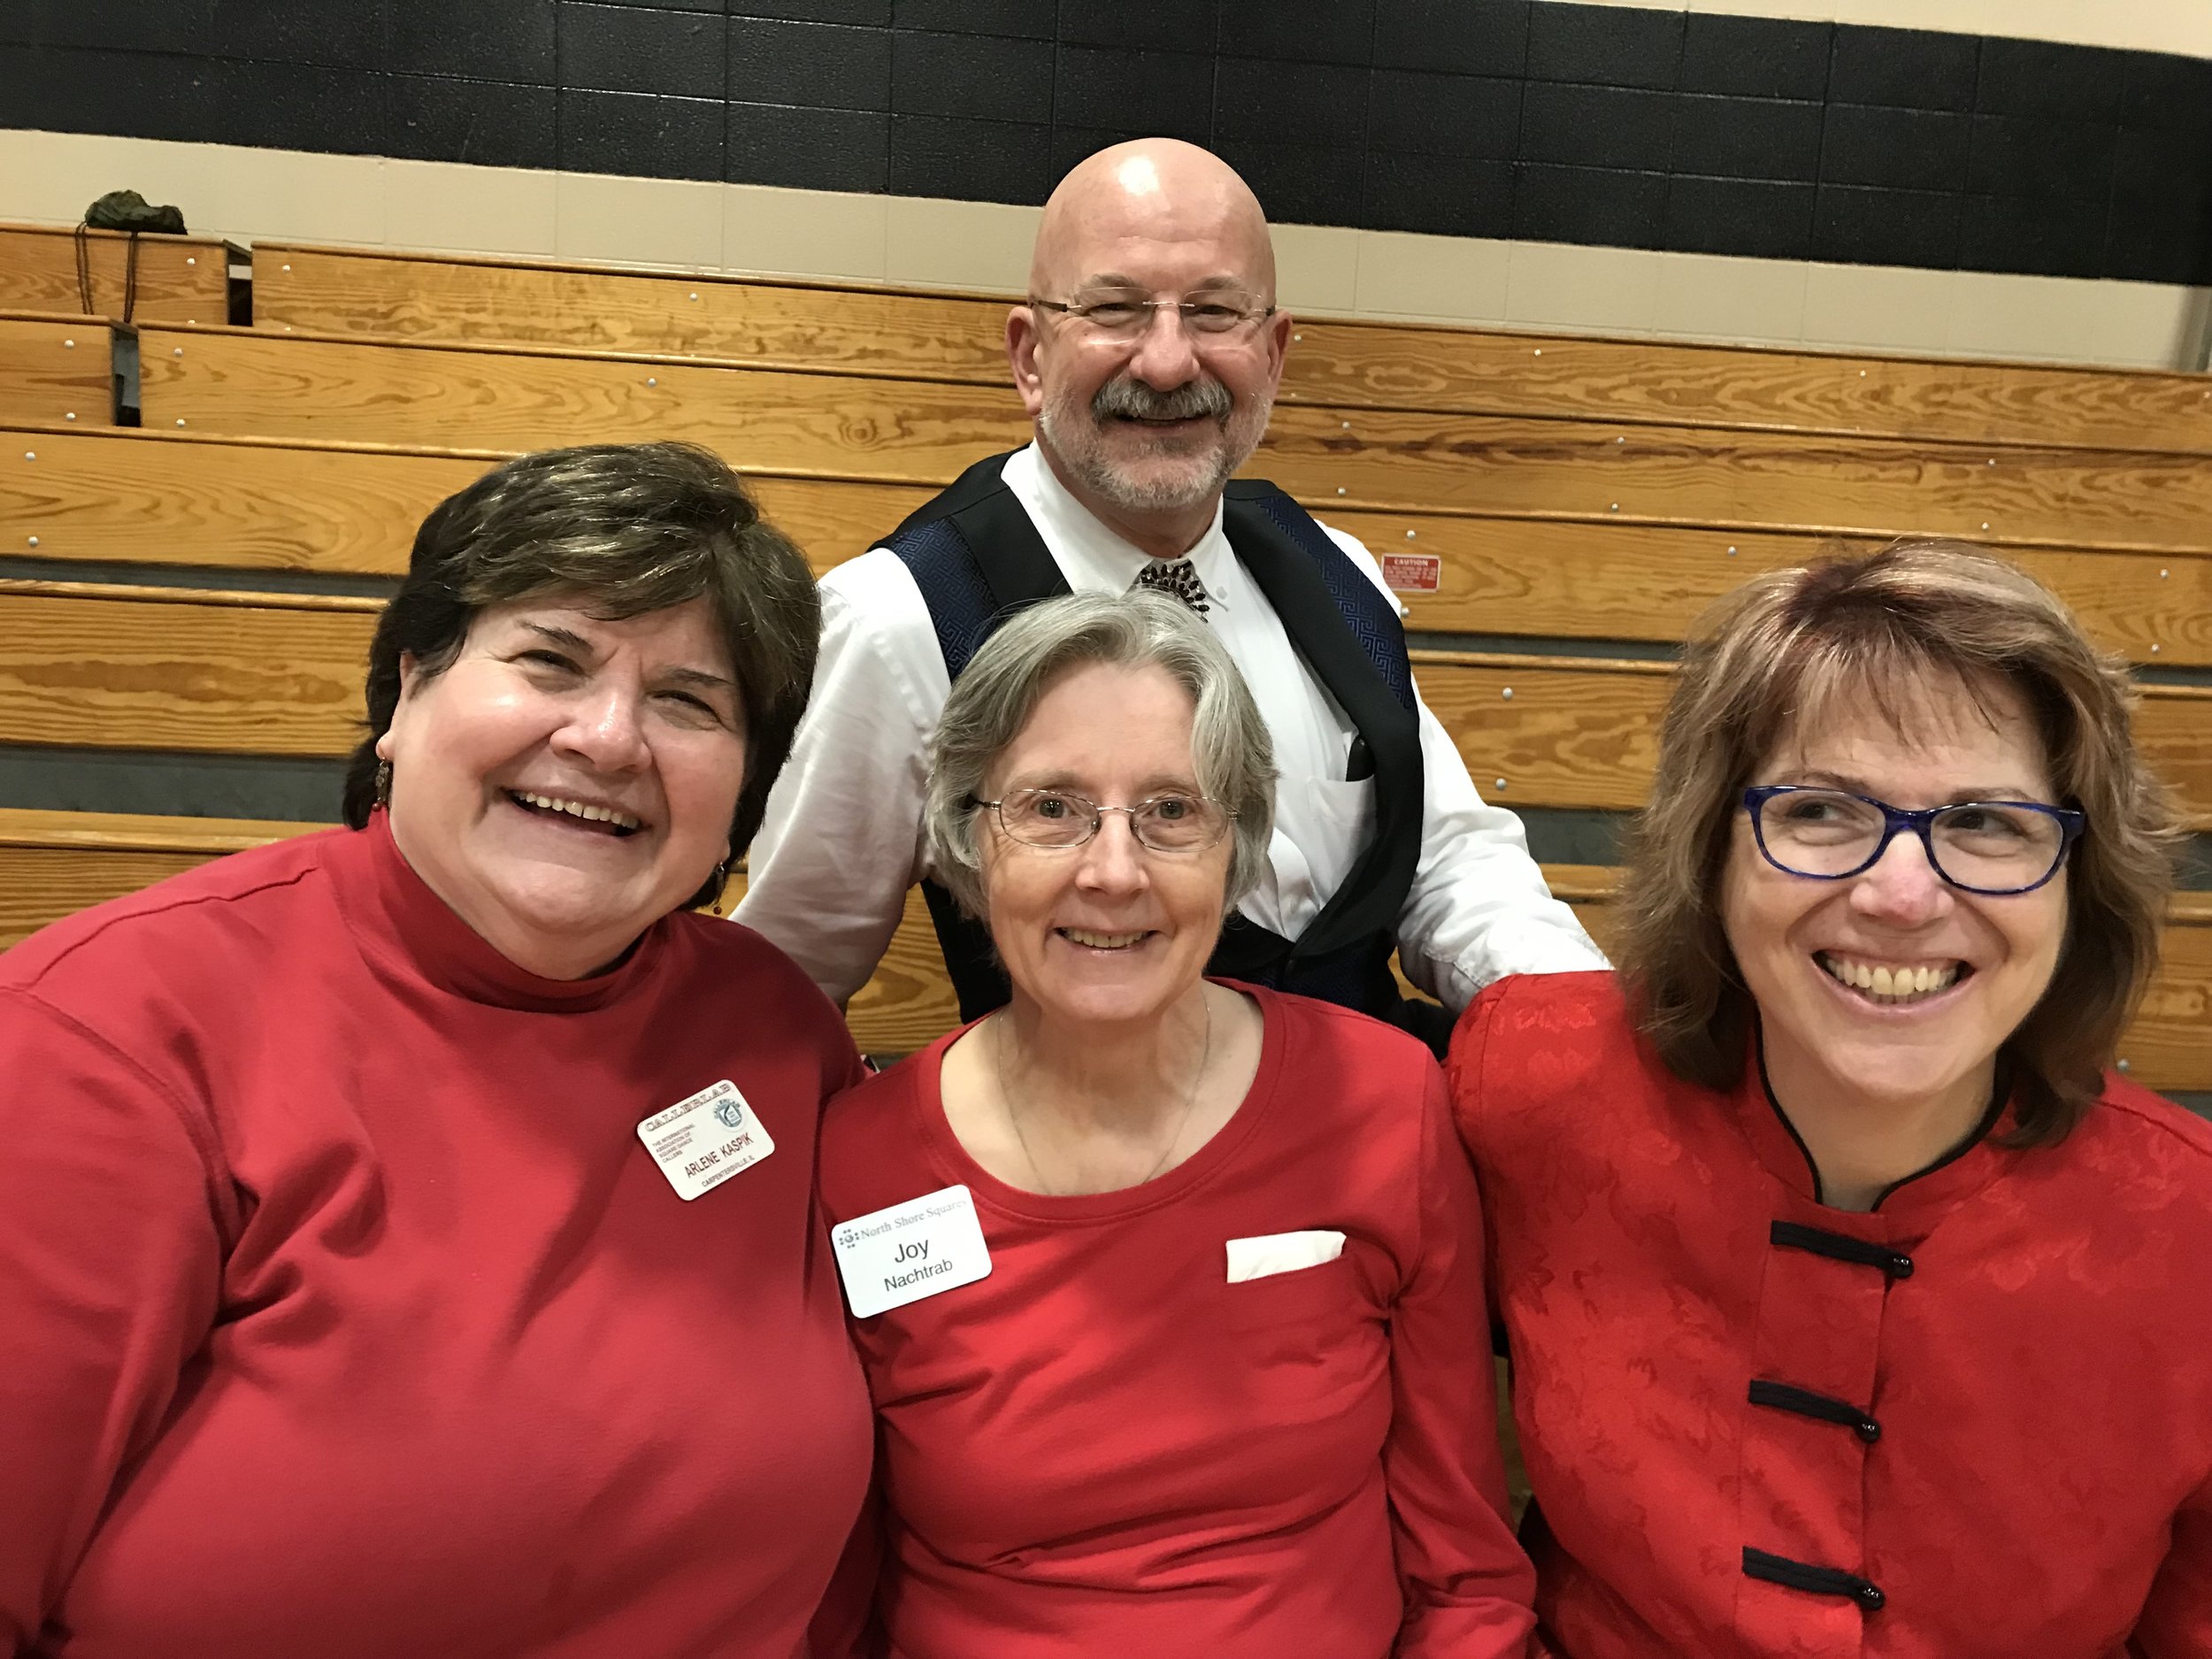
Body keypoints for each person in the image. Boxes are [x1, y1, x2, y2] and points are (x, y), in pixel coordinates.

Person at [0, 443, 875, 1658]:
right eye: (549, 661)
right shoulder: (104, 1040)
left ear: (746, 790)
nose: (610, 738)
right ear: (408, 692)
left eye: (689, 700)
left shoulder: (777, 1034)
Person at [1448, 541, 2212, 1657]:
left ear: (2076, 884)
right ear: (1714, 851)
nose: (1900, 896)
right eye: (1818, 813)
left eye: (1988, 824)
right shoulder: (1528, 1082)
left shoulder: (2188, 1232)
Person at [737, 136, 1600, 1053]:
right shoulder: (898, 617)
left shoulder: (1338, 572)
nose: (1166, 362)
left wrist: (1579, 1024)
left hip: (1372, 1138)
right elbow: (788, 978)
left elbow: (1447, 862)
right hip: (1090, 1164)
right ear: (1029, 357)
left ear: (1271, 355)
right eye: (1114, 309)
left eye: (1214, 312)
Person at [817, 590, 1536, 1658]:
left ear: (1236, 843)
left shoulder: (1382, 1103)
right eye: (1051, 808)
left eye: (1170, 811)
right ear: (968, 841)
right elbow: (837, 1581)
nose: (1112, 871)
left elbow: (1463, 1571)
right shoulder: (857, 1163)